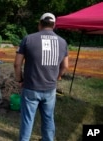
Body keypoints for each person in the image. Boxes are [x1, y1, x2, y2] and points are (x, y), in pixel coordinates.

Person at [14, 13, 68, 141]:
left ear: (40, 24)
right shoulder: (63, 42)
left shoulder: (28, 39)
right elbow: (65, 66)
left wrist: (20, 79)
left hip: (31, 87)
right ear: (54, 25)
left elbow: (17, 64)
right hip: (50, 89)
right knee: (48, 118)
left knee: (27, 119)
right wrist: (57, 76)